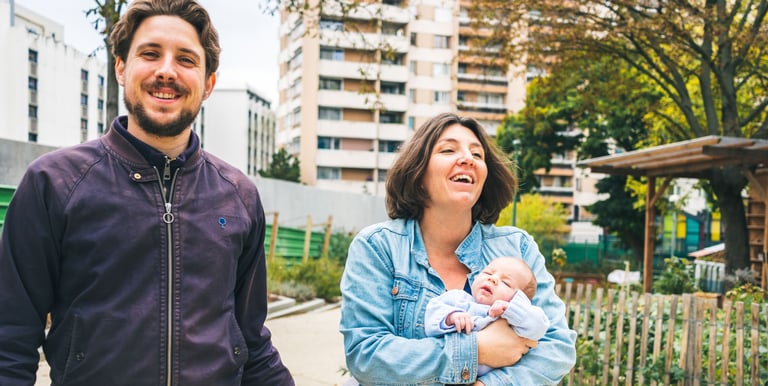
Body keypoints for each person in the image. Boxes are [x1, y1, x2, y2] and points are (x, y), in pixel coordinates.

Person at [0, 0, 294, 384]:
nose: (167, 71)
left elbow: (251, 343)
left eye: (187, 60)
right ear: (122, 67)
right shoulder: (54, 184)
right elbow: (9, 342)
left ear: (208, 84)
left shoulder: (238, 196)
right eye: (150, 54)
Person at [339, 112, 576, 385]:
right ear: (417, 173)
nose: (467, 159)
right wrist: (477, 349)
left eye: (477, 154)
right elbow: (366, 355)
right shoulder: (378, 247)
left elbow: (556, 346)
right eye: (448, 149)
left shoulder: (517, 247)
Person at [424, 256, 550, 376]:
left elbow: (539, 327)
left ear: (520, 299)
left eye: (506, 283)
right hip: (445, 374)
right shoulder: (459, 299)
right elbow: (431, 314)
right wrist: (451, 317)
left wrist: (511, 309)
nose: (492, 279)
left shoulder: (513, 321)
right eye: (488, 273)